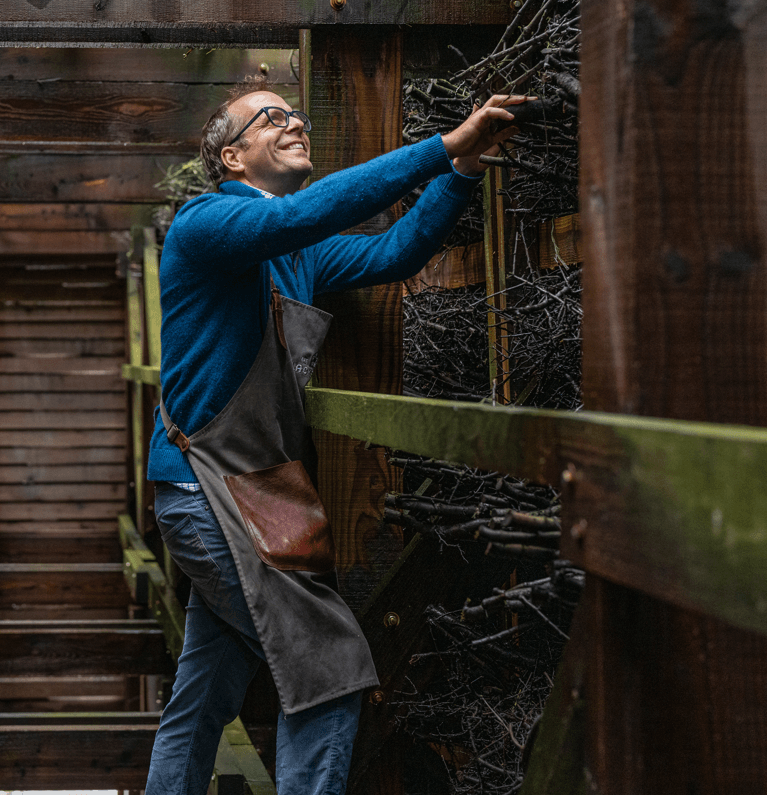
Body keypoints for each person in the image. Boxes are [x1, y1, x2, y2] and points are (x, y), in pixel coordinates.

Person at [143, 81, 525, 795]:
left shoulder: (301, 252)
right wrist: (442, 146)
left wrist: (466, 169)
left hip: (251, 497)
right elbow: (305, 215)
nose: (294, 122)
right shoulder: (206, 222)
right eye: (273, 116)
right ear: (232, 155)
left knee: (202, 699)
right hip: (210, 493)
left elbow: (398, 252)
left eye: (298, 115)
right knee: (327, 668)